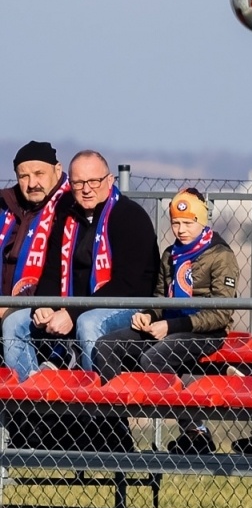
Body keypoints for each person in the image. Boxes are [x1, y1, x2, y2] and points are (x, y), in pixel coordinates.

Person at [95, 190, 239, 453]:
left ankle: (195, 431)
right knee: (107, 346)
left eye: (188, 223)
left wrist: (170, 326)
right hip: (168, 327)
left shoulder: (221, 255)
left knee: (155, 357)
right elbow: (160, 299)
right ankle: (115, 431)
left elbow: (220, 314)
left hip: (205, 331)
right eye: (175, 223)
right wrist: (148, 315)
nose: (181, 229)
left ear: (202, 221)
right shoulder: (170, 254)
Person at [2, 150, 158, 380]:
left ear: (109, 180)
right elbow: (53, 271)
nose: (86, 189)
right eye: (78, 183)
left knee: (88, 323)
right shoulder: (67, 216)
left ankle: (93, 409)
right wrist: (43, 304)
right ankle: (30, 404)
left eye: (94, 181)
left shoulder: (130, 216)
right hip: (73, 305)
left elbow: (128, 286)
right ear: (70, 183)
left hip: (127, 305)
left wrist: (72, 313)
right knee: (15, 322)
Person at [1, 142, 68, 301]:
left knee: (14, 324)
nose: (32, 184)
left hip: (44, 304)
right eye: (24, 176)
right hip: (5, 301)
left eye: (39, 174)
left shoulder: (70, 208)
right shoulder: (5, 206)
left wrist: (11, 308)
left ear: (57, 170)